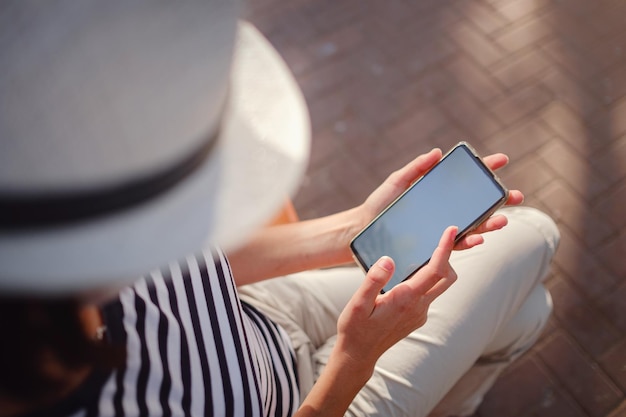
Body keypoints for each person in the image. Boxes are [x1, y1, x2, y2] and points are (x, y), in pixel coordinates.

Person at [0, 1, 559, 417]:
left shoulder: (72, 197)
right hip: (314, 397)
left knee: (527, 311)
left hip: (261, 319)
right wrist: (355, 359)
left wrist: (353, 229)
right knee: (534, 240)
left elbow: (203, 258)